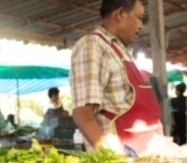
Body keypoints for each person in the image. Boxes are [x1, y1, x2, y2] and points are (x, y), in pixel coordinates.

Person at [70, 0, 163, 155]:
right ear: (120, 14)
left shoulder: (120, 50)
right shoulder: (93, 46)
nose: (141, 26)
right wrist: (114, 160)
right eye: (139, 17)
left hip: (143, 159)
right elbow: (83, 114)